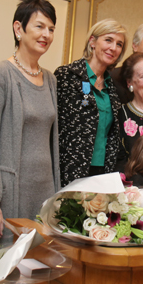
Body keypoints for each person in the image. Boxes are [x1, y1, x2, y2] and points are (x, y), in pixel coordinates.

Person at [0, 0, 59, 239]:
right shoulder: (0, 73)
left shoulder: (50, 80)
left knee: (39, 270)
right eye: (39, 26)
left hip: (43, 192)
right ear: (18, 28)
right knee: (3, 268)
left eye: (51, 29)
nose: (46, 34)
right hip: (9, 194)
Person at [55, 19, 127, 187]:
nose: (113, 48)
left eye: (119, 44)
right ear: (92, 42)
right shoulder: (67, 76)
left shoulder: (114, 87)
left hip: (103, 172)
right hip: (70, 170)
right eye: (108, 40)